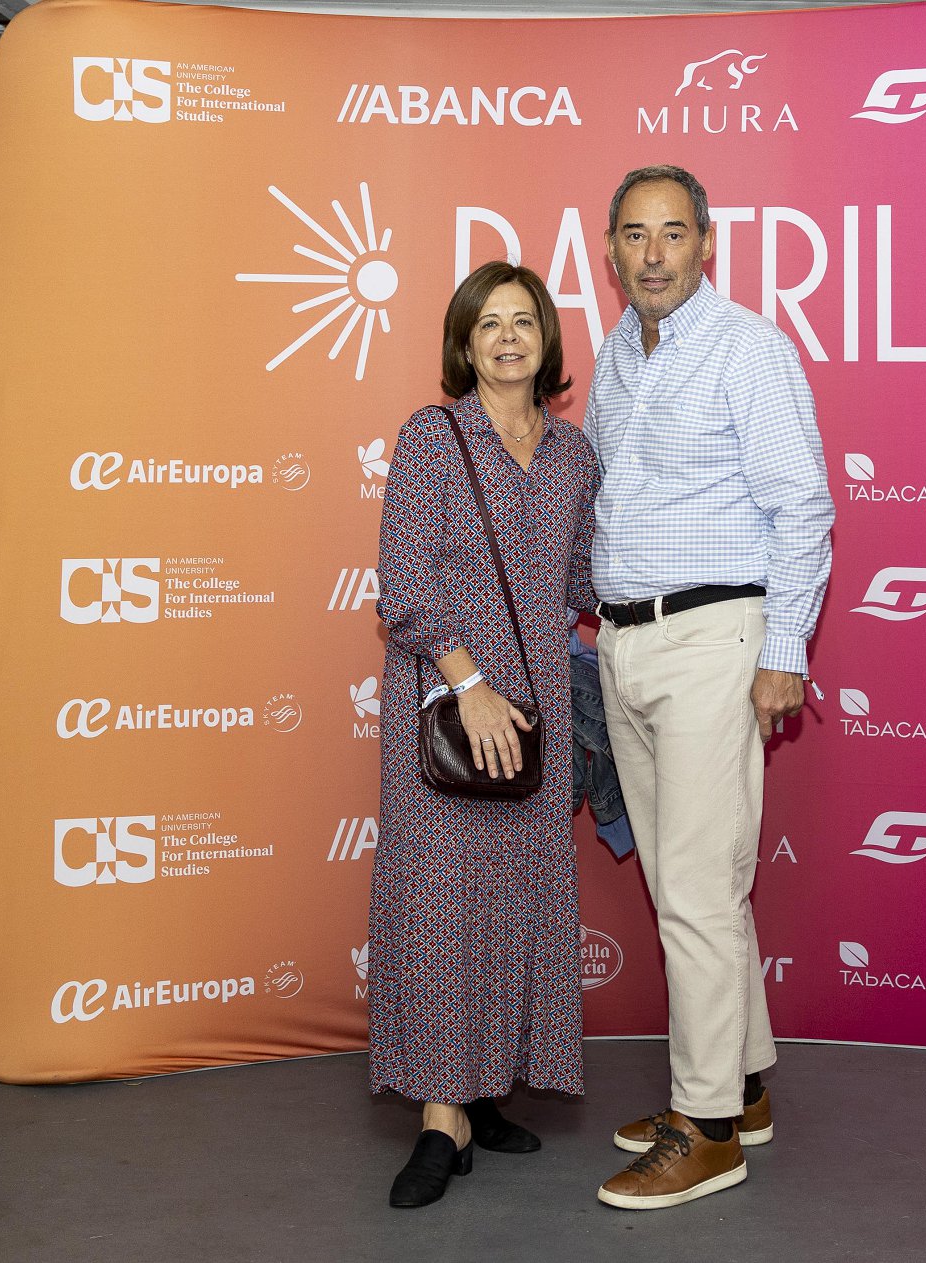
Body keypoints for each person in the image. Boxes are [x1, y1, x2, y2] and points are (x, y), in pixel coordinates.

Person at [585, 165, 834, 1210]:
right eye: (634, 235)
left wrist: (784, 651)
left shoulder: (747, 348)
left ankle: (707, 1129)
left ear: (706, 243)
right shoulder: (614, 353)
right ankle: (742, 1086)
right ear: (610, 249)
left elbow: (803, 509)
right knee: (690, 885)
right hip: (626, 643)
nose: (653, 255)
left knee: (694, 891)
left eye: (672, 233)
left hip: (713, 641)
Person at [369, 260, 600, 1209]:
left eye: (524, 321)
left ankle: (484, 1089)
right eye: (489, 323)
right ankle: (441, 1120)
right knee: (439, 905)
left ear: (547, 340)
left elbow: (585, 581)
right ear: (466, 344)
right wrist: (469, 685)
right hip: (447, 703)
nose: (508, 338)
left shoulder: (576, 454)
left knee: (516, 901)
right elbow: (404, 582)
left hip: (536, 711)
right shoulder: (433, 437)